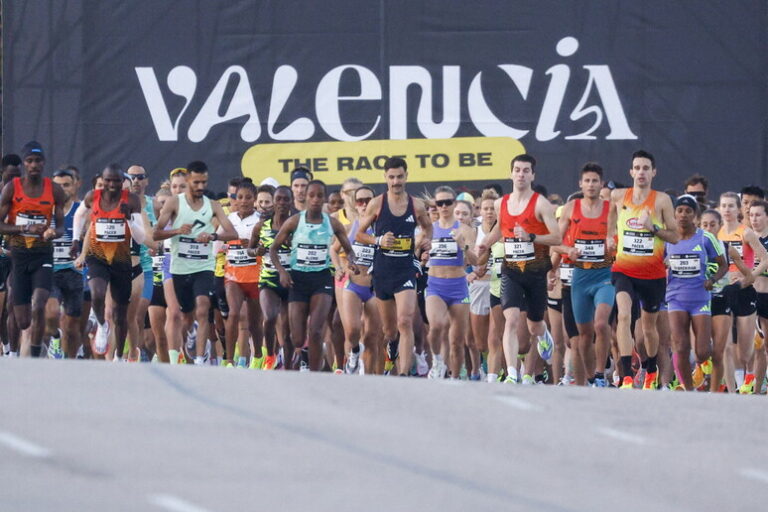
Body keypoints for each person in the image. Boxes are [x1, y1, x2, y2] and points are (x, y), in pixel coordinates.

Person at [476, 154, 561, 384]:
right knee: (511, 319)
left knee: (534, 325)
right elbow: (500, 231)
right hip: (511, 269)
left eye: (525, 170)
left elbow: (557, 236)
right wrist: (487, 241)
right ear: (510, 173)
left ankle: (544, 335)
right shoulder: (500, 203)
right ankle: (512, 373)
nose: (521, 174)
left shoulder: (540, 204)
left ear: (532, 175)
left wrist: (532, 236)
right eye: (517, 170)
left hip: (535, 271)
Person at [607, 150, 679, 390]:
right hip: (623, 270)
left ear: (653, 172)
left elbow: (675, 236)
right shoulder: (619, 196)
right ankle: (626, 374)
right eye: (637, 168)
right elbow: (610, 216)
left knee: (649, 328)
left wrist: (653, 228)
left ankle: (650, 369)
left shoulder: (661, 201)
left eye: (645, 168)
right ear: (631, 172)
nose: (641, 172)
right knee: (624, 316)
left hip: (653, 274)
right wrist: (609, 236)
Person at [153, 161, 237, 366]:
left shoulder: (213, 205)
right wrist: (177, 231)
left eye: (204, 182)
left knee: (203, 306)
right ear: (189, 180)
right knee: (185, 316)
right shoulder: (174, 203)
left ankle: (199, 359)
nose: (200, 187)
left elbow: (232, 233)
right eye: (196, 182)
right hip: (178, 266)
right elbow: (156, 233)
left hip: (203, 266)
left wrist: (212, 236)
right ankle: (188, 340)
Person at [270, 180, 359, 371]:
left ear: (325, 198)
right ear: (305, 197)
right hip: (298, 280)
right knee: (297, 337)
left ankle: (314, 373)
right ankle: (304, 358)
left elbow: (348, 250)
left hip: (322, 280)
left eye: (320, 196)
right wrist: (282, 271)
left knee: (317, 331)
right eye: (312, 195)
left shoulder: (332, 223)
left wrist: (351, 261)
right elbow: (273, 249)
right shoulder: (294, 221)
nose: (316, 199)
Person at [356, 157, 433, 376]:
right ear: (385, 178)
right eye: (391, 177)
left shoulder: (416, 205)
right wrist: (379, 240)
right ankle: (392, 348)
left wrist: (425, 243)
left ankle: (403, 374)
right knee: (389, 331)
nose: (396, 181)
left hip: (405, 269)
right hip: (382, 271)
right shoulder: (377, 204)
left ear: (407, 176)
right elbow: (360, 234)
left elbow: (428, 228)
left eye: (400, 176)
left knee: (405, 321)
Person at [0, 142, 66, 357]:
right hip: (19, 257)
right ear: (25, 164)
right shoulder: (12, 188)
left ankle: (35, 357)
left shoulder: (54, 189)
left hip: (42, 255)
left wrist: (52, 233)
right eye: (29, 161)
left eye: (38, 161)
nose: (34, 165)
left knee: (39, 303)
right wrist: (24, 227)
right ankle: (21, 347)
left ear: (44, 163)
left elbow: (61, 225)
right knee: (23, 319)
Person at [73, 164, 145, 359]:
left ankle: (119, 357)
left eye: (116, 181)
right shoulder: (93, 197)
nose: (111, 184)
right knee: (96, 292)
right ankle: (102, 325)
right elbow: (79, 215)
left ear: (122, 182)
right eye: (108, 180)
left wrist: (129, 218)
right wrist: (75, 239)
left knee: (120, 314)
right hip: (97, 256)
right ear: (102, 181)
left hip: (122, 259)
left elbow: (140, 238)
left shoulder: (131, 200)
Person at [555, 163, 615, 387]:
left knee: (601, 324)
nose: (591, 185)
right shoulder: (571, 208)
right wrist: (568, 250)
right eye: (587, 181)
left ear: (601, 184)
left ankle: (600, 373)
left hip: (604, 275)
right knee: (583, 335)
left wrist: (611, 242)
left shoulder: (610, 208)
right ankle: (592, 378)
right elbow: (556, 242)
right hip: (580, 276)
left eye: (595, 181)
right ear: (580, 184)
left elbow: (614, 237)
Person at [665, 195, 726, 390]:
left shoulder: (705, 237)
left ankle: (702, 364)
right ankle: (689, 389)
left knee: (702, 352)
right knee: (680, 346)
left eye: (688, 211)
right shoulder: (667, 238)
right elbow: (656, 262)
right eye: (680, 211)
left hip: (700, 297)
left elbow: (723, 264)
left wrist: (713, 280)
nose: (683, 215)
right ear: (674, 214)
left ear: (695, 216)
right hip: (675, 297)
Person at [717, 191, 768, 393]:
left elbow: (764, 259)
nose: (755, 218)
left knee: (759, 346)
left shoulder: (745, 234)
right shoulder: (719, 233)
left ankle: (757, 385)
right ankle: (738, 386)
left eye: (759, 214)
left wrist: (751, 275)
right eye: (752, 214)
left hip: (758, 294)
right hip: (732, 292)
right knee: (731, 343)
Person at [424, 186, 477, 379]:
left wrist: (464, 245)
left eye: (448, 202)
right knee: (436, 326)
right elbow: (416, 253)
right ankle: (437, 361)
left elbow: (476, 261)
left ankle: (455, 378)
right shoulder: (430, 228)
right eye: (440, 203)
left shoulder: (465, 230)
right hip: (435, 285)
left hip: (458, 286)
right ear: (435, 206)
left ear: (454, 204)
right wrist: (421, 254)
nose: (444, 206)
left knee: (456, 341)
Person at [335, 186, 382, 374]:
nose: (364, 204)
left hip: (374, 288)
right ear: (355, 204)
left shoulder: (382, 228)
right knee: (353, 330)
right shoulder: (350, 227)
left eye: (368, 200)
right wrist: (341, 267)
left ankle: (367, 377)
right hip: (353, 285)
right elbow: (334, 249)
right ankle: (354, 353)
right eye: (360, 201)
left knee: (372, 337)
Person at [219, 180, 264, 368]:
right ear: (234, 199)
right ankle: (229, 359)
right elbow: (216, 245)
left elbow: (269, 248)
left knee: (254, 321)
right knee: (234, 313)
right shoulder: (229, 220)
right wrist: (225, 244)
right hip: (233, 276)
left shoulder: (261, 221)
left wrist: (254, 247)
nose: (244, 201)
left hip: (255, 277)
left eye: (248, 198)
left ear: (254, 200)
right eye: (240, 197)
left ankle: (259, 356)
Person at [46, 168, 84, 359]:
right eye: (57, 186)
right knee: (51, 314)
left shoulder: (82, 210)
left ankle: (70, 365)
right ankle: (54, 337)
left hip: (75, 273)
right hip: (50, 271)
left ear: (75, 185)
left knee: (72, 327)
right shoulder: (44, 209)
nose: (61, 189)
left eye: (66, 185)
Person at [256, 186, 293, 369]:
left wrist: (293, 244)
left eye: (286, 199)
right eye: (278, 199)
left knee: (287, 329)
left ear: (291, 202)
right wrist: (256, 251)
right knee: (270, 316)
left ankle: (287, 364)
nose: (282, 203)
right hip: (269, 279)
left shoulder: (297, 225)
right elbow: (250, 248)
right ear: (273, 202)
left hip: (291, 281)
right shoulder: (262, 225)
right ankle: (270, 355)